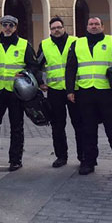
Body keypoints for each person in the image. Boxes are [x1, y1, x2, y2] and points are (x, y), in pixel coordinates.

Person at [65, 16, 112, 178]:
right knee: (88, 131)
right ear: (87, 27)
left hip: (106, 93)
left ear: (103, 26)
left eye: (97, 24)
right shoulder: (77, 44)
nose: (94, 26)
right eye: (91, 24)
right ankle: (89, 162)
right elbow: (70, 69)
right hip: (85, 93)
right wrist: (70, 90)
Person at [0, 15, 40, 171]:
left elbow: (34, 66)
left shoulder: (23, 44)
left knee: (16, 126)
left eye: (11, 25)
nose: (7, 28)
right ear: (1, 26)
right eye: (5, 24)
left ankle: (15, 159)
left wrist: (26, 72)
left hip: (16, 92)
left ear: (16, 27)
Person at [36, 16, 82, 168]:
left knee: (79, 124)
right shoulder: (44, 45)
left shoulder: (75, 42)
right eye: (53, 28)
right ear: (50, 30)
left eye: (59, 27)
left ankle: (83, 156)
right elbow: (37, 65)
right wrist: (40, 82)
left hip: (75, 89)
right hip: (54, 90)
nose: (56, 30)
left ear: (64, 28)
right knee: (57, 125)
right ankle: (61, 156)